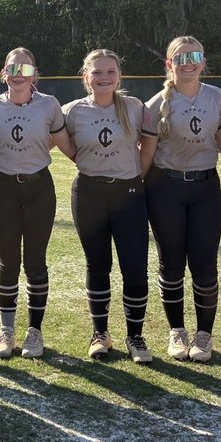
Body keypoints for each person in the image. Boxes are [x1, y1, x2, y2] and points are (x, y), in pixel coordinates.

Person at [61, 49, 158, 363]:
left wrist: (136, 176)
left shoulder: (135, 107)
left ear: (119, 76)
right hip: (89, 194)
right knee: (97, 266)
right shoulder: (71, 111)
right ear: (85, 77)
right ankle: (100, 333)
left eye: (110, 72)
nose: (104, 78)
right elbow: (58, 143)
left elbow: (149, 145)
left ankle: (135, 336)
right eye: (97, 72)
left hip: (128, 195)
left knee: (135, 268)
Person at [0, 48, 66, 359]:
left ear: (35, 74)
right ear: (3, 73)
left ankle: (34, 332)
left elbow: (66, 144)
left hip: (39, 189)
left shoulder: (49, 105)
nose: (18, 74)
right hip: (5, 189)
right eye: (12, 68)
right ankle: (7, 330)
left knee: (35, 262)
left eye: (25, 68)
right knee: (8, 262)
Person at [143, 36, 221, 364]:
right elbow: (146, 154)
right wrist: (131, 188)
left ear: (203, 61)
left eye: (194, 57)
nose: (188, 63)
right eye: (180, 58)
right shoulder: (155, 104)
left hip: (206, 189)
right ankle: (177, 331)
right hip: (166, 189)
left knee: (205, 265)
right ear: (170, 64)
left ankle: (204, 335)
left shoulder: (217, 97)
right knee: (171, 264)